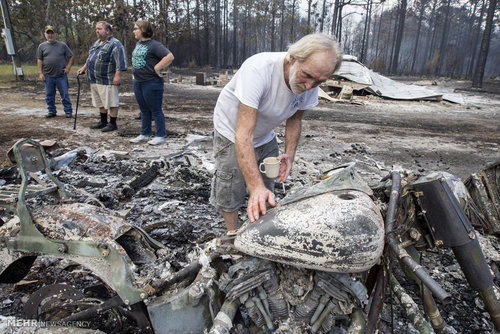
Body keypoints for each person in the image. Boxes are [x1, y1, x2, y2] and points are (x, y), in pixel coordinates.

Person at [210, 33, 342, 232]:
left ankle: (259, 230)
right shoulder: (258, 70)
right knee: (232, 185)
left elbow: (295, 119)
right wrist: (254, 187)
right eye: (307, 76)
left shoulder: (312, 82)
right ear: (292, 58)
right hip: (231, 131)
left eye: (318, 82)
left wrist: (289, 154)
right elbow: (243, 134)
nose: (309, 86)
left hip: (265, 134)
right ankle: (232, 235)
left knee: (267, 183)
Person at [129, 20, 174, 146]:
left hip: (151, 82)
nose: (134, 31)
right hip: (138, 82)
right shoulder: (138, 44)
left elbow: (169, 56)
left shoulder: (154, 45)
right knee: (143, 109)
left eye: (136, 28)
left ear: (143, 30)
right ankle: (145, 133)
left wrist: (157, 67)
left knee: (155, 109)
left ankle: (160, 134)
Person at [76, 21, 127, 132]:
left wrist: (117, 76)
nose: (97, 31)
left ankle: (112, 123)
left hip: (107, 79)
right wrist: (83, 68)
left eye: (99, 29)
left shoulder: (115, 44)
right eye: (96, 29)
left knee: (112, 102)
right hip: (95, 79)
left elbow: (120, 63)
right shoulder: (97, 43)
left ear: (107, 30)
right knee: (100, 102)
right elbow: (90, 58)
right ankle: (103, 121)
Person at [36, 25, 74, 118]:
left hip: (61, 75)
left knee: (64, 94)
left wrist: (68, 67)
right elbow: (39, 60)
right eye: (48, 33)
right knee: (49, 95)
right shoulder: (42, 46)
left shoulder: (62, 45)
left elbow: (71, 56)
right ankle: (51, 111)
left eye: (52, 33)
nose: (50, 35)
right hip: (48, 75)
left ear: (55, 34)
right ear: (45, 34)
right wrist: (40, 73)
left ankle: (68, 111)